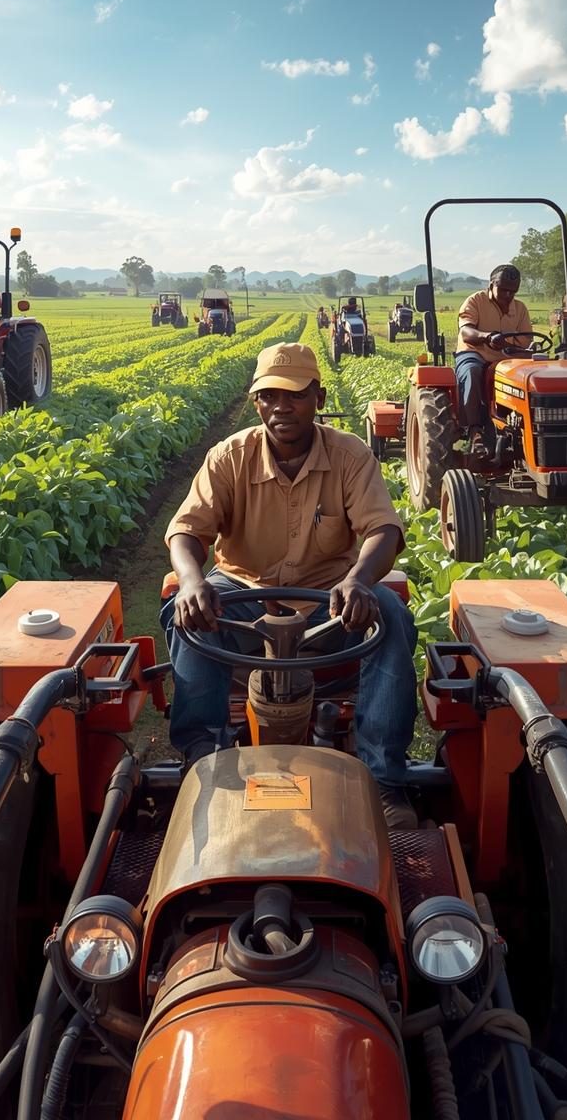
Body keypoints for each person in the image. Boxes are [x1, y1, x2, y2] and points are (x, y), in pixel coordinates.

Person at [160, 341, 419, 829]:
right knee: (189, 613)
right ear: (257, 401)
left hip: (329, 606)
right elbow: (186, 532)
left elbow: (383, 530)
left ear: (318, 398)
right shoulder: (229, 456)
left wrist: (360, 580)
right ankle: (202, 761)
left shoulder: (350, 456)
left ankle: (384, 779)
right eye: (270, 395)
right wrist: (193, 582)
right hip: (241, 599)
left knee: (392, 614)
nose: (281, 407)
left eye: (296, 394)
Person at [455, 264, 533, 446]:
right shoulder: (475, 301)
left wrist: (524, 348)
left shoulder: (520, 309)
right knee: (472, 371)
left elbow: (526, 340)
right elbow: (466, 332)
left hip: (507, 359)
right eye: (504, 290)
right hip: (475, 353)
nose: (508, 296)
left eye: (512, 292)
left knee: (534, 376)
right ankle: (474, 430)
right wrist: (487, 337)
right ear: (491, 285)